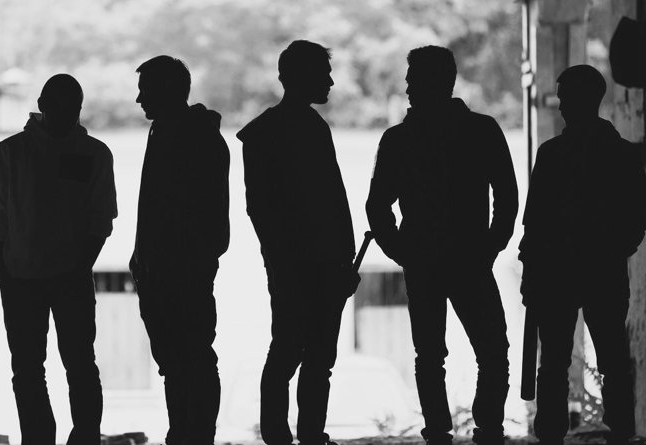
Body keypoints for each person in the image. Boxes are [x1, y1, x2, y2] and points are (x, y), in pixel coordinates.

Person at [366, 45, 517, 445]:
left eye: (413, 80)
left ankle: (438, 431)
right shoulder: (482, 130)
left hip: (424, 261)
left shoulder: (399, 139)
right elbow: (507, 194)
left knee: (430, 356)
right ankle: (488, 428)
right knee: (493, 350)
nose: (407, 88)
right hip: (471, 258)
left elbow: (377, 205)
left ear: (435, 82)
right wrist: (491, 246)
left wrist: (400, 250)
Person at [0, 74, 117, 445]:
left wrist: (3, 268)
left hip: (29, 275)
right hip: (37, 276)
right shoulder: (89, 153)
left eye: (71, 108)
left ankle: (56, 437)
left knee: (40, 369)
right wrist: (4, 270)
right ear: (43, 105)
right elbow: (101, 219)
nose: (66, 114)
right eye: (62, 107)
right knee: (73, 365)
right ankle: (74, 437)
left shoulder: (15, 151)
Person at [237, 40, 358, 445]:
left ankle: (283, 435)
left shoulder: (266, 131)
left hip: (296, 263)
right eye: (324, 74)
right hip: (309, 263)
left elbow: (264, 209)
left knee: (292, 351)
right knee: (311, 355)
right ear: (301, 77)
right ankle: (307, 435)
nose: (330, 82)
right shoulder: (307, 128)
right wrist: (338, 259)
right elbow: (328, 202)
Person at [519, 64, 646, 445]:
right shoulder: (621, 154)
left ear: (583, 100)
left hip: (558, 273)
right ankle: (621, 432)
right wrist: (615, 250)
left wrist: (532, 270)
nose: (560, 106)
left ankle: (552, 435)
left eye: (565, 99)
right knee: (612, 359)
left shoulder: (552, 153)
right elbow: (636, 218)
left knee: (554, 363)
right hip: (602, 271)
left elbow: (535, 222)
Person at [129, 55, 229, 445]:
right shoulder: (177, 132)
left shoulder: (186, 137)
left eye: (145, 90)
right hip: (167, 269)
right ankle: (185, 434)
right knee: (181, 360)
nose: (139, 99)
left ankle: (193, 435)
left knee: (190, 358)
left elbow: (185, 213)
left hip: (180, 271)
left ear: (166, 91)